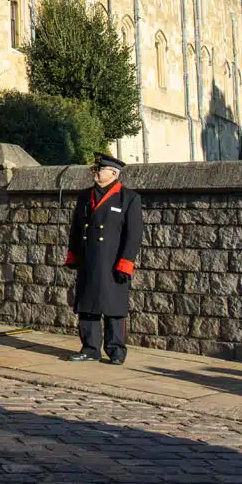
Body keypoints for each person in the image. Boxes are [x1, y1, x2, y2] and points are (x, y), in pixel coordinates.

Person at [65, 152, 143, 365]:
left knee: (114, 308)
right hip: (89, 259)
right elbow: (76, 228)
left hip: (112, 262)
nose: (95, 173)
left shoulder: (129, 198)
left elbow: (133, 235)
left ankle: (116, 351)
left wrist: (125, 262)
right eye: (96, 169)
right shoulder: (85, 196)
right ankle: (90, 348)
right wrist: (73, 255)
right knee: (87, 307)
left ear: (113, 173)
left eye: (99, 170)